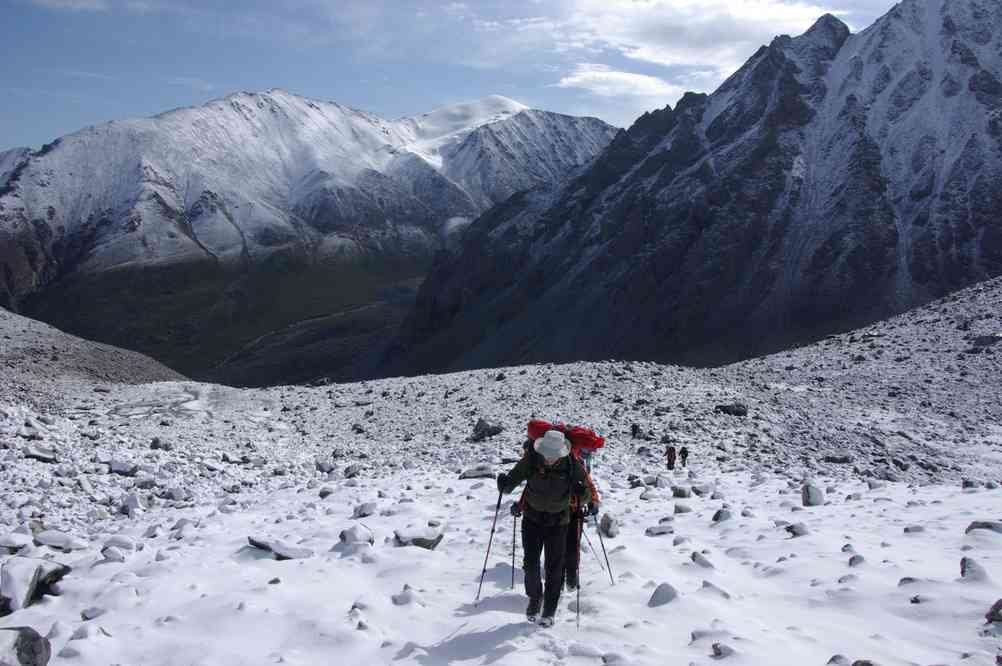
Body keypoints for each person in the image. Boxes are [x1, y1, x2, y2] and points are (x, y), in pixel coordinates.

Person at [498, 429, 591, 626]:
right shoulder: (532, 459)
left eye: (553, 454)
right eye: (546, 453)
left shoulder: (572, 466)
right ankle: (534, 598)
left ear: (561, 453)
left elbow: (587, 495)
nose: (549, 458)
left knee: (554, 567)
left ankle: (549, 609)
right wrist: (504, 485)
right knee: (530, 564)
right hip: (532, 519)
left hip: (559, 523)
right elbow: (513, 480)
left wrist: (581, 492)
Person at [563, 456, 600, 591]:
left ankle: (571, 574)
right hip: (561, 511)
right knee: (561, 546)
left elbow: (589, 487)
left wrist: (593, 501)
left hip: (573, 511)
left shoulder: (577, 464)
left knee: (572, 545)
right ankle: (563, 576)